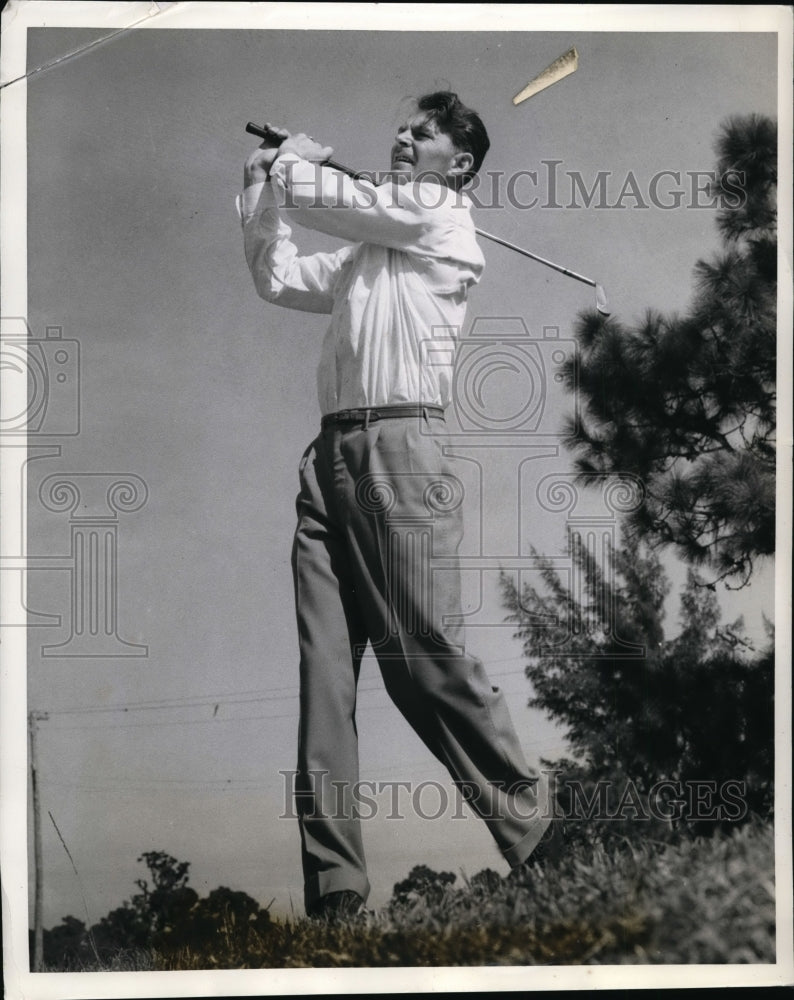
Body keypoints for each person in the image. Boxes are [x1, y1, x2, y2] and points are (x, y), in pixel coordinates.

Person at [238, 92, 553, 920]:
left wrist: (295, 162)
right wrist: (263, 188)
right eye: (401, 129)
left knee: (424, 658)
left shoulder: (441, 213)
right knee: (325, 676)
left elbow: (342, 202)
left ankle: (538, 834)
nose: (403, 138)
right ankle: (336, 892)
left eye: (424, 133)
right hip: (328, 460)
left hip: (400, 454)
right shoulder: (366, 254)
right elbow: (275, 277)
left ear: (462, 164)